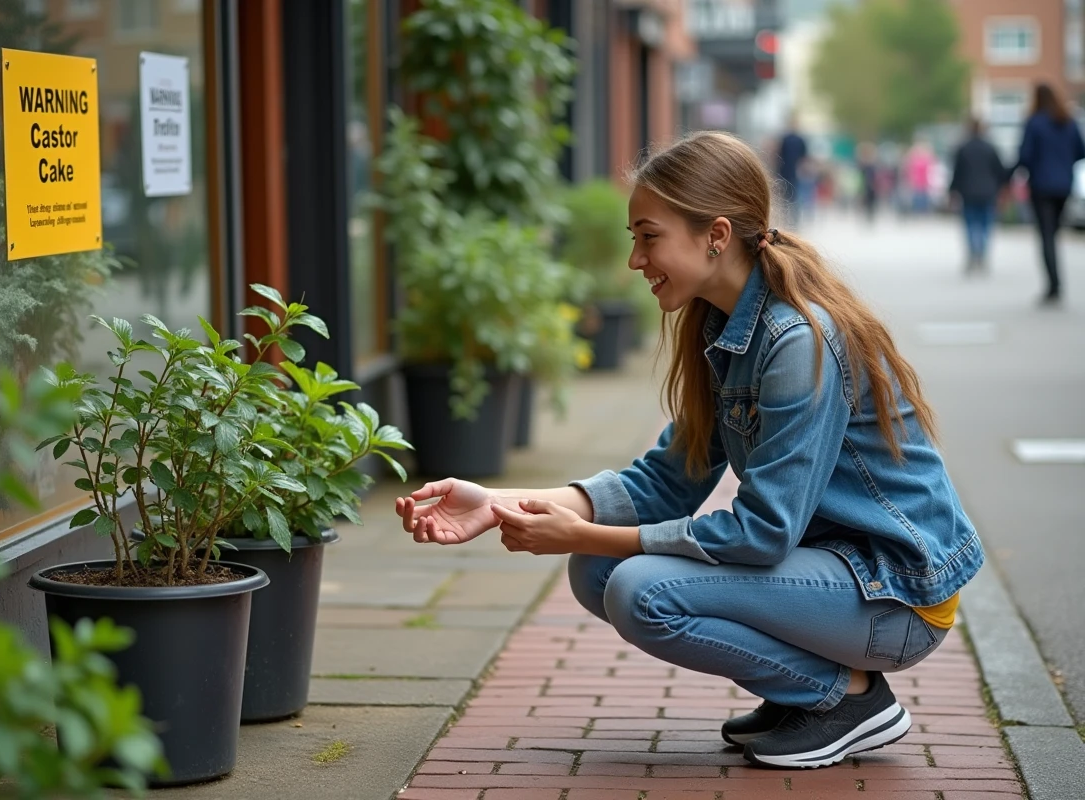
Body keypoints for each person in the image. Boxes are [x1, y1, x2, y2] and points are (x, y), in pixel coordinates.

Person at [395, 131, 982, 771]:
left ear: (717, 234)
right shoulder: (721, 324)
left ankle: (843, 698)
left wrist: (584, 534)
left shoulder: (797, 341)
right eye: (634, 239)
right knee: (595, 571)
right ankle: (807, 694)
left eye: (648, 237)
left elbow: (762, 534)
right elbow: (664, 482)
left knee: (639, 590)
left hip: (895, 594)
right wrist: (501, 503)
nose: (635, 260)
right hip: (833, 572)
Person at [1015, 82, 1085, 304]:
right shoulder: (1068, 121)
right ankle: (1055, 282)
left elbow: (1025, 155)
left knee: (1046, 235)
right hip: (1063, 186)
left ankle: (1054, 284)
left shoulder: (1034, 122)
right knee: (1053, 233)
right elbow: (1080, 151)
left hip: (1042, 186)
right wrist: (1064, 166)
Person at [949, 118, 1008, 273]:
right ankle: (981, 254)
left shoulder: (963, 148)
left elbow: (956, 172)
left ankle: (973, 253)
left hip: (968, 193)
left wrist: (952, 191)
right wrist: (1002, 189)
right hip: (988, 193)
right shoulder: (990, 148)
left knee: (970, 225)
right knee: (985, 225)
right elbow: (1000, 171)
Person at [776, 119, 808, 227]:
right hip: (790, 172)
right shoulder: (793, 139)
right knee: (791, 196)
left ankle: (792, 218)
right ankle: (792, 218)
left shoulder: (791, 139)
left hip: (790, 172)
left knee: (791, 196)